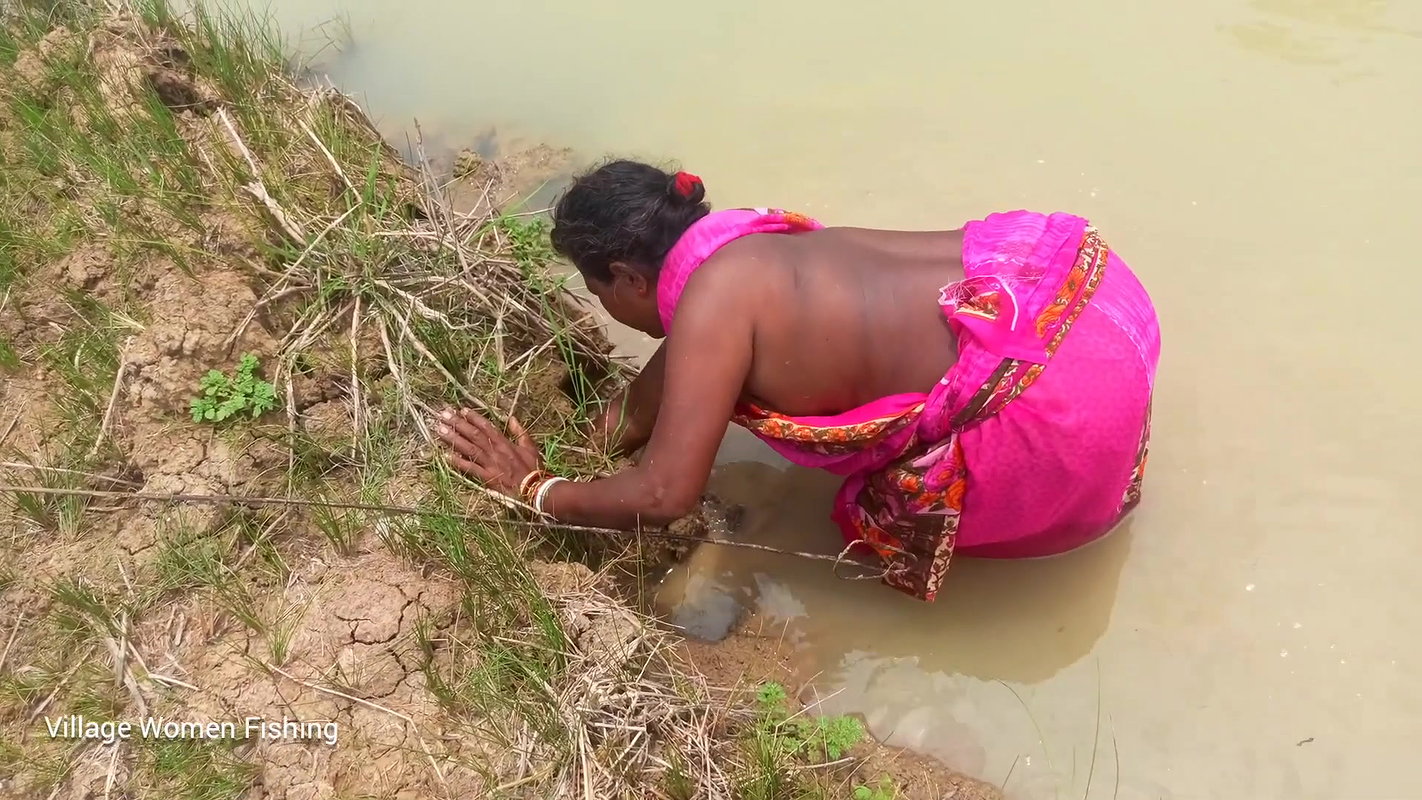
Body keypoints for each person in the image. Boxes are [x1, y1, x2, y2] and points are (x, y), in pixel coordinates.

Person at [435, 160, 1161, 601]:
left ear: (626, 277)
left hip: (1059, 407)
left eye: (599, 294)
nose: (607, 309)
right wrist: (588, 439)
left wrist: (534, 490)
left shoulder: (715, 305)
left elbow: (664, 495)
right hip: (1086, 302)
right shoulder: (747, 246)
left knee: (887, 510)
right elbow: (647, 403)